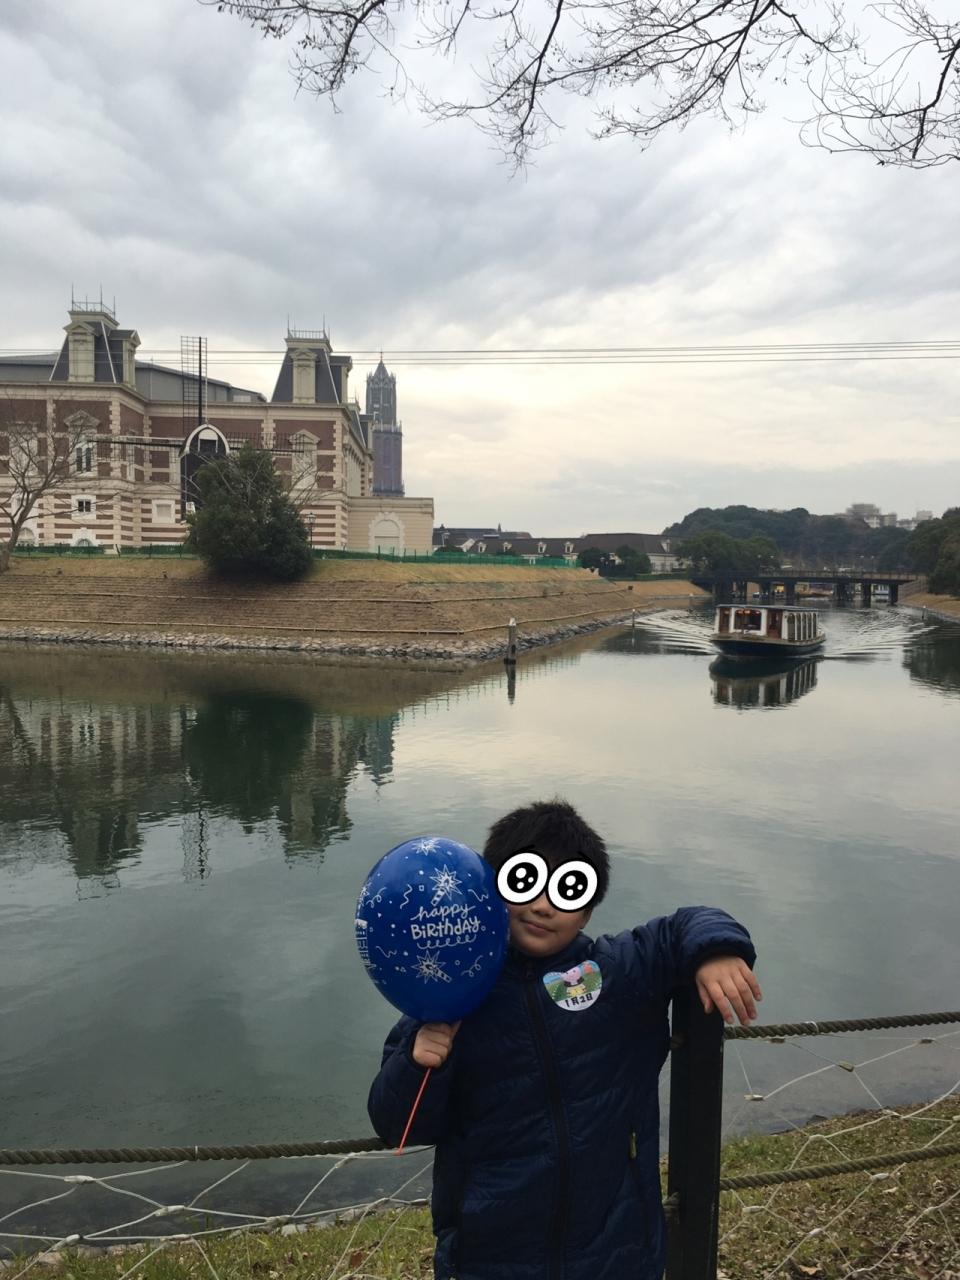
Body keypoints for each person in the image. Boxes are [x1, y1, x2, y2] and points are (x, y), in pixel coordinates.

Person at [367, 799, 761, 1280]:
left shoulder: (615, 973)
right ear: (489, 890)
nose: (542, 906)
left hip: (616, 1252)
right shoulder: (453, 994)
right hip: (490, 1258)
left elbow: (685, 925)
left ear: (587, 912)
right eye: (525, 882)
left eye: (567, 890)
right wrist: (419, 1062)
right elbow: (397, 1126)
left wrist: (716, 951)